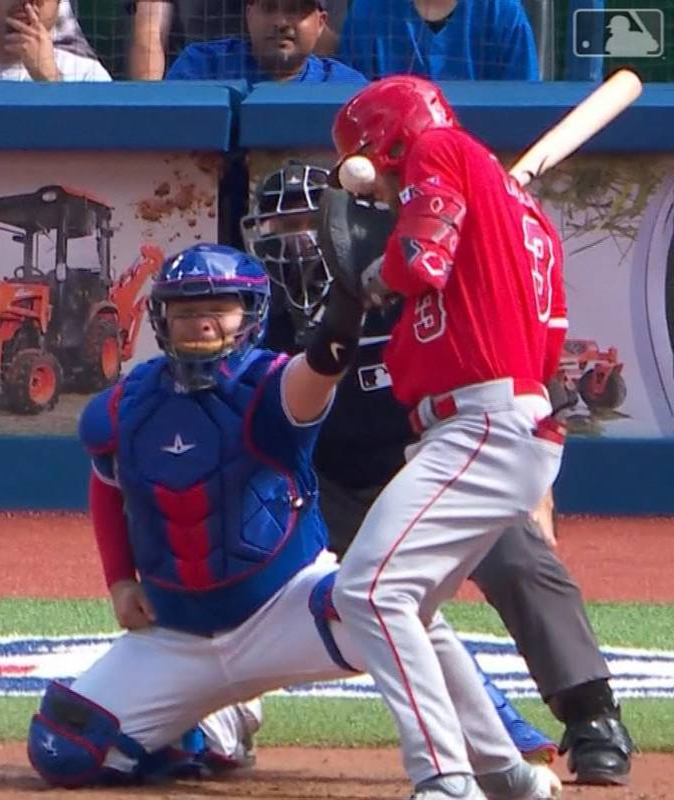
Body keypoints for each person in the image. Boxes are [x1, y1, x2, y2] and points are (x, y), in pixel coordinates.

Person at [25, 242, 560, 799]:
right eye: (185, 310)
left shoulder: (274, 384)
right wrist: (120, 578)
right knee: (64, 749)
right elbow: (108, 485)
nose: (201, 322)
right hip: (176, 632)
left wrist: (349, 303)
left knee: (387, 604)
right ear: (162, 318)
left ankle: (500, 749)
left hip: (290, 607)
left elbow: (326, 362)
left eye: (220, 308)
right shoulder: (122, 407)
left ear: (250, 314)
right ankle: (214, 729)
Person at [246, 159, 636, 786]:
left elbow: (515, 379)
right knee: (250, 565)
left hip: (435, 465)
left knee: (518, 557)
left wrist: (536, 491)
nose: (295, 239)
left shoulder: (422, 285)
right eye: (280, 224)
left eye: (307, 221)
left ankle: (592, 714)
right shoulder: (262, 316)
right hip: (327, 489)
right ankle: (220, 721)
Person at [324, 75, 575, 799]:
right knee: (411, 606)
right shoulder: (523, 212)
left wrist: (381, 267)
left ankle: (444, 778)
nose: (377, 195)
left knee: (368, 591)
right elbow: (549, 341)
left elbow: (423, 256)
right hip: (504, 417)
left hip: (484, 420)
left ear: (383, 139)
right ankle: (504, 773)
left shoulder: (439, 147)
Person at [165, 0, 365, 82]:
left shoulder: (345, 86)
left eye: (295, 10)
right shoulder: (202, 68)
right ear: (249, 15)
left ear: (321, 23)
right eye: (269, 8)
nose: (281, 22)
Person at [337, 0, 538, 81]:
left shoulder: (503, 13)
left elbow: (524, 109)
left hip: (481, 158)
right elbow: (352, 110)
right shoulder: (367, 13)